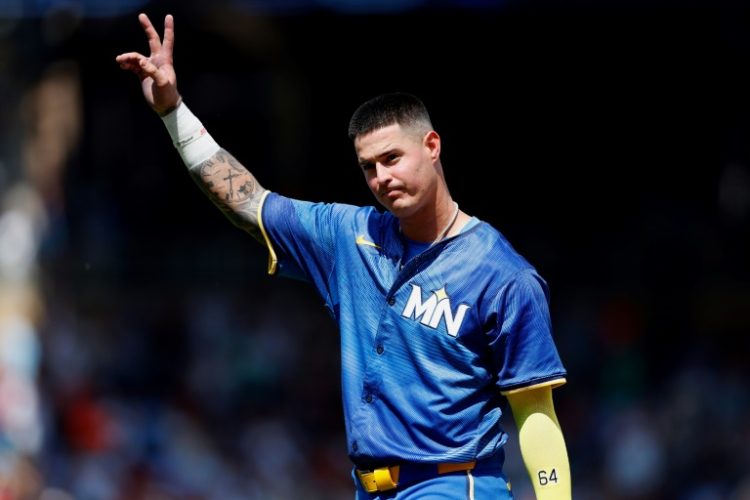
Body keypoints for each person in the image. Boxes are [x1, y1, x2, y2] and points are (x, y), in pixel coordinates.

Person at [116, 13, 572, 499]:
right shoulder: (349, 236)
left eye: (392, 158)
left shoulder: (502, 273)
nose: (381, 179)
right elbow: (248, 201)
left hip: (452, 485)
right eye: (368, 168)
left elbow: (535, 412)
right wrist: (174, 113)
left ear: (432, 145)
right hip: (367, 488)